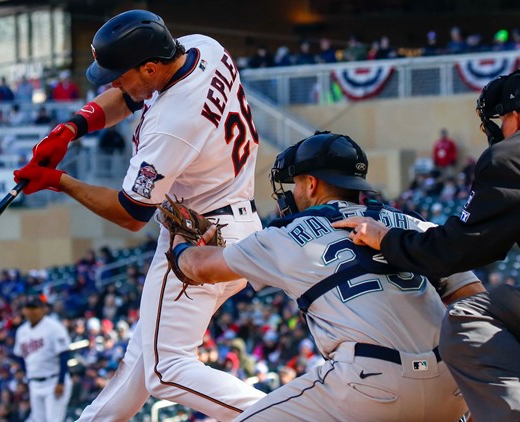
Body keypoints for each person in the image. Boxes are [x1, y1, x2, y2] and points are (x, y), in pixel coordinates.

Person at [12, 9, 265, 420]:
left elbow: (131, 214)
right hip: (232, 225)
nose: (110, 81)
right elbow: (132, 94)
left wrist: (60, 181)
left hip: (199, 243)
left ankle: (285, 414)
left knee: (165, 370)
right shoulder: (204, 47)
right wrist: (73, 127)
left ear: (149, 65)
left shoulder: (171, 123)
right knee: (140, 364)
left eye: (119, 72)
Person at [172, 132, 477, 421]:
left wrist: (178, 243)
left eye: (296, 183)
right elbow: (474, 299)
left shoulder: (285, 234)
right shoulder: (414, 224)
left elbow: (198, 268)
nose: (293, 191)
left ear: (312, 184)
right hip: (450, 386)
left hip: (369, 384)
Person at [333, 70, 520, 421]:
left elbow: (455, 250)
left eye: (504, 118)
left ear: (516, 114)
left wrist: (385, 238)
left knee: (468, 316)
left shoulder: (509, 156)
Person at [13, 296, 72, 422]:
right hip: (34, 383)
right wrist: (26, 376)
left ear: (43, 309)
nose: (31, 311)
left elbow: (64, 354)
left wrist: (61, 381)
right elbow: (20, 356)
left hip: (54, 380)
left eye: (34, 308)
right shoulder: (21, 331)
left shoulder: (54, 327)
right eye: (28, 308)